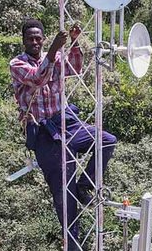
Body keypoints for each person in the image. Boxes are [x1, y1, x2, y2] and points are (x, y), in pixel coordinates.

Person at [9, 18, 116, 250]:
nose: (35, 42)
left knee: (106, 141)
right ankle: (73, 246)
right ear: (24, 40)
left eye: (39, 38)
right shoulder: (17, 63)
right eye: (31, 38)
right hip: (43, 131)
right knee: (63, 195)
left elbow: (74, 69)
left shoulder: (54, 55)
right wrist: (55, 49)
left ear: (43, 38)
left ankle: (84, 186)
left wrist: (75, 43)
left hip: (64, 121)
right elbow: (37, 78)